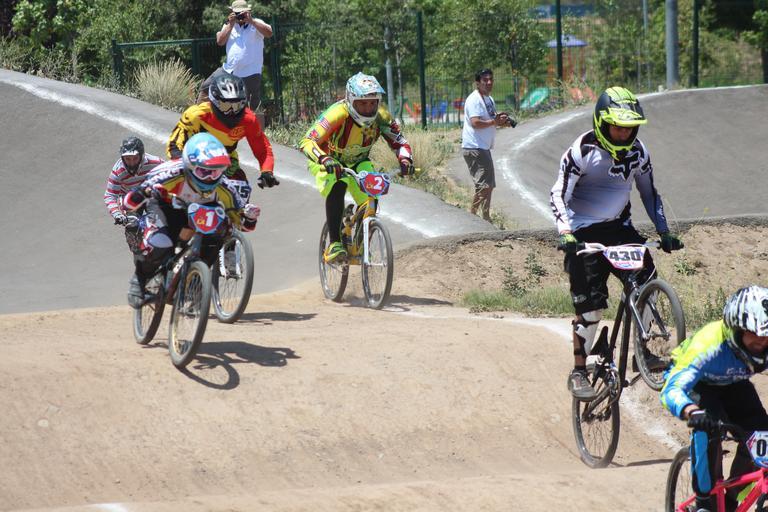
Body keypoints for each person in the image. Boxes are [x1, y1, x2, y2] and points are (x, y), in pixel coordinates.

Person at [549, 86, 684, 401]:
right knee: (592, 309)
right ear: (601, 122)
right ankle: (579, 371)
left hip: (620, 230)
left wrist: (663, 231)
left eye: (630, 127)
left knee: (647, 284)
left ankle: (642, 353)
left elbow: (649, 193)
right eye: (617, 127)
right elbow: (558, 193)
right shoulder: (581, 150)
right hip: (582, 234)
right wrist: (565, 232)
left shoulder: (639, 152)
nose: (624, 133)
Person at [661, 285, 768, 512]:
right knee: (709, 430)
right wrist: (691, 411)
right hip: (698, 384)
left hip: (734, 384)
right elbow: (671, 389)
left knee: (763, 434)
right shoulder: (709, 344)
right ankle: (705, 503)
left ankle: (732, 499)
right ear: (736, 329)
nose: (762, 341)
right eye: (756, 334)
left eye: (767, 335)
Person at [123, 133, 261, 307]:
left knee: (220, 232)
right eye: (204, 171)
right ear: (189, 166)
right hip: (166, 206)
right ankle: (139, 279)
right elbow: (130, 202)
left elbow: (242, 224)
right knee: (162, 243)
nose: (210, 177)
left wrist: (249, 217)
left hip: (195, 211)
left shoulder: (225, 186)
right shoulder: (170, 173)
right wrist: (143, 193)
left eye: (216, 171)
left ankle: (195, 279)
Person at [298, 72, 414, 263]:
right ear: (351, 101)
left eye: (372, 103)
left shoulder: (382, 116)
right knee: (338, 185)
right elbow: (307, 141)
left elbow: (400, 142)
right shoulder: (337, 113)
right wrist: (324, 159)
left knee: (371, 198)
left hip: (359, 161)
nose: (368, 109)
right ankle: (335, 244)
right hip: (328, 159)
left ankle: (360, 246)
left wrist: (405, 160)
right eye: (362, 103)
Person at [168, 72, 278, 205]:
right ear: (213, 102)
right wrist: (183, 166)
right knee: (172, 200)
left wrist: (267, 171)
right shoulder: (196, 115)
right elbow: (175, 144)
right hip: (193, 164)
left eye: (237, 106)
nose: (232, 112)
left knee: (241, 198)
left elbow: (263, 149)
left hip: (227, 164)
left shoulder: (249, 120)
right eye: (226, 106)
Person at [196, 0, 272, 110]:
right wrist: (230, 25)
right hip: (229, 70)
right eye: (237, 13)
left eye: (242, 13)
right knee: (206, 88)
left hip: (250, 72)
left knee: (250, 107)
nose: (240, 16)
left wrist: (251, 21)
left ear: (248, 12)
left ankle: (252, 121)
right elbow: (220, 41)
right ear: (232, 12)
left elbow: (269, 33)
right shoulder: (228, 25)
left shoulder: (256, 23)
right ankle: (200, 116)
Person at [461, 68, 515, 222]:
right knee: (484, 185)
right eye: (485, 80)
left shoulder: (488, 99)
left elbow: (491, 120)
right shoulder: (474, 99)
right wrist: (494, 122)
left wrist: (503, 122)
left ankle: (485, 217)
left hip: (483, 147)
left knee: (488, 185)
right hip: (474, 147)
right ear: (478, 83)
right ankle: (472, 217)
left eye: (491, 79)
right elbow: (475, 122)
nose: (489, 82)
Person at [104, 136, 165, 250]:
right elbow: (110, 195)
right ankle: (137, 254)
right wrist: (117, 214)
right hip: (130, 199)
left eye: (135, 158)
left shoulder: (156, 163)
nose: (131, 163)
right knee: (132, 226)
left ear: (142, 155)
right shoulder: (118, 171)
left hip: (151, 195)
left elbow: (170, 177)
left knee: (165, 219)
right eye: (128, 159)